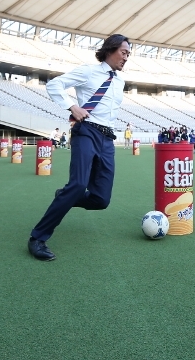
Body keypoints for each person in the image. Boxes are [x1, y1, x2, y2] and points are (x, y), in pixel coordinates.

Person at [27, 34, 131, 261]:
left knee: (101, 200)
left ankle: (66, 196)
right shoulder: (88, 71)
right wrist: (72, 106)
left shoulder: (120, 82)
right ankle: (37, 238)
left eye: (128, 54)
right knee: (78, 184)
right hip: (86, 131)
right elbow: (54, 85)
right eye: (123, 52)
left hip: (107, 139)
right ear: (110, 50)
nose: (126, 58)